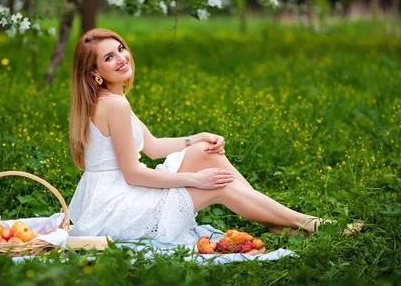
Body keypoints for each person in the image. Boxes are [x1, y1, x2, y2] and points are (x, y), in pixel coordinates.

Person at [67, 28, 362, 244]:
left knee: (205, 152)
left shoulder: (109, 100)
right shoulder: (115, 105)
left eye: (120, 48)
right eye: (109, 57)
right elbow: (133, 174)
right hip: (117, 207)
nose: (121, 58)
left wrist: (197, 137)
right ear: (95, 72)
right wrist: (196, 180)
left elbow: (153, 147)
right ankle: (311, 225)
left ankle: (274, 219)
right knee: (217, 186)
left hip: (108, 196)